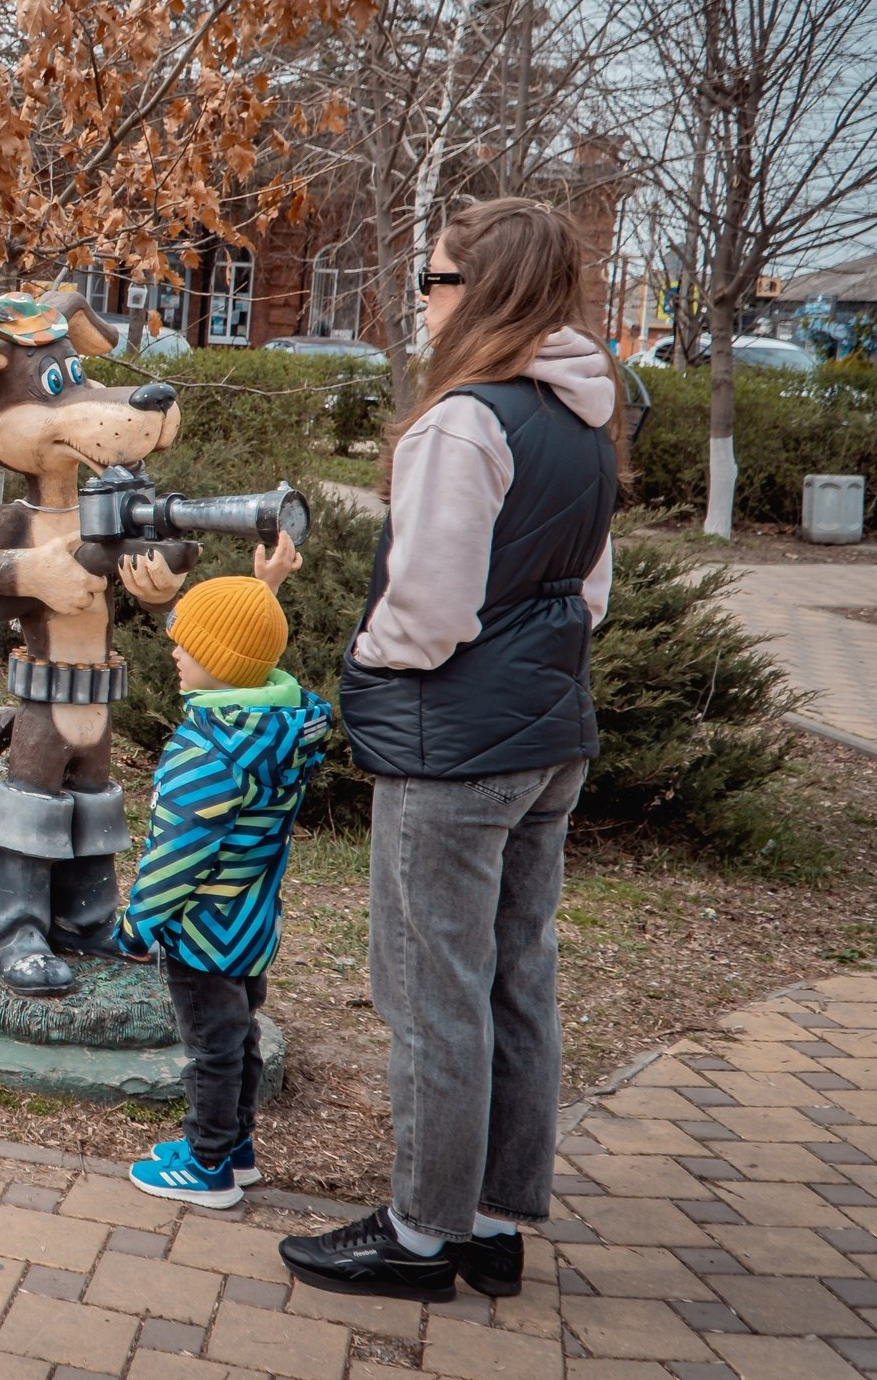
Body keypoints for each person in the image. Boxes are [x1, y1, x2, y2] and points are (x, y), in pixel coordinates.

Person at [279, 197, 621, 1303]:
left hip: (455, 746)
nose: (421, 299)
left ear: (484, 291)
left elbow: (425, 611)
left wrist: (367, 663)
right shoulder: (583, 419)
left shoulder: (463, 423)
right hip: (547, 734)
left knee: (432, 991)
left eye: (432, 280)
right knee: (516, 978)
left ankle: (419, 1237)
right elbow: (591, 594)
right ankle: (490, 1222)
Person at [109, 554, 322, 1210]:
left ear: (222, 661)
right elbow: (246, 634)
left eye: (188, 643)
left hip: (203, 929)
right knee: (239, 1033)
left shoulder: (209, 750)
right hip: (252, 919)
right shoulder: (275, 729)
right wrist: (265, 587)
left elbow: (178, 851)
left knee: (211, 1047)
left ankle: (207, 1166)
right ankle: (235, 1147)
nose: (174, 649)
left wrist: (138, 924)